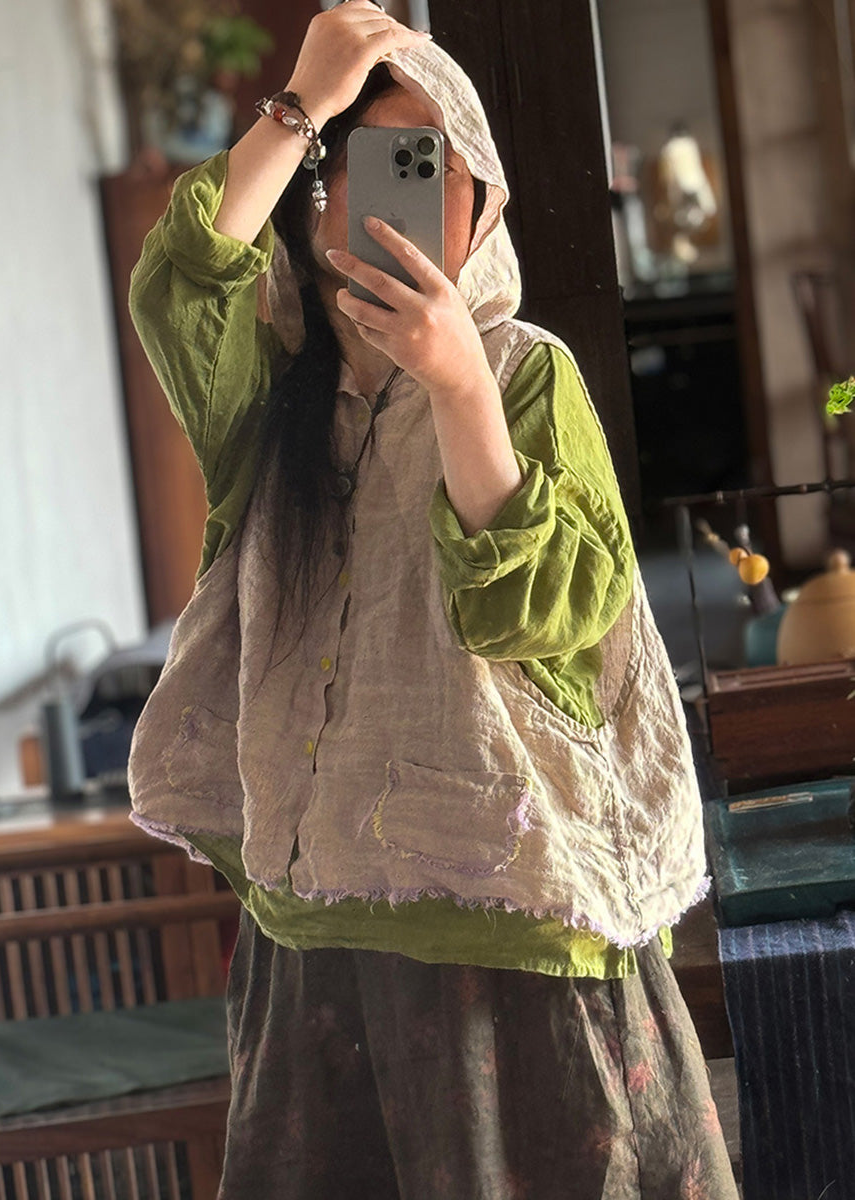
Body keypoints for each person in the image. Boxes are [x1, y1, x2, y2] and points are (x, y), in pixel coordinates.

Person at [128, 3, 738, 1196]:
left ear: (483, 202)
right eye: (367, 166)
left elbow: (550, 613)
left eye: (432, 165)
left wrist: (458, 385)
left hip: (516, 929)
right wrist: (301, 101)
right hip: (319, 933)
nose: (401, 198)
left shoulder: (524, 370)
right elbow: (179, 283)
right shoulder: (270, 392)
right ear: (316, 195)